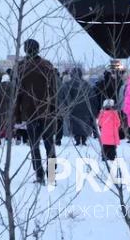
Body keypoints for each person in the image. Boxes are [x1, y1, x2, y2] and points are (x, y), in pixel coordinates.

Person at [15, 39, 58, 183]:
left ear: (25, 50)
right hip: (47, 111)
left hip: (30, 111)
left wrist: (17, 115)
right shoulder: (47, 66)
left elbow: (17, 94)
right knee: (49, 143)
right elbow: (54, 90)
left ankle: (39, 175)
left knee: (34, 145)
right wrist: (53, 108)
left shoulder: (21, 67)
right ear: (38, 49)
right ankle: (51, 176)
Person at [59, 68, 94, 146]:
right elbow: (92, 96)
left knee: (75, 124)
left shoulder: (67, 84)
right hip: (85, 108)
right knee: (84, 123)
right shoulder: (86, 84)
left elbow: (63, 96)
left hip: (73, 108)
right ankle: (84, 140)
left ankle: (77, 140)